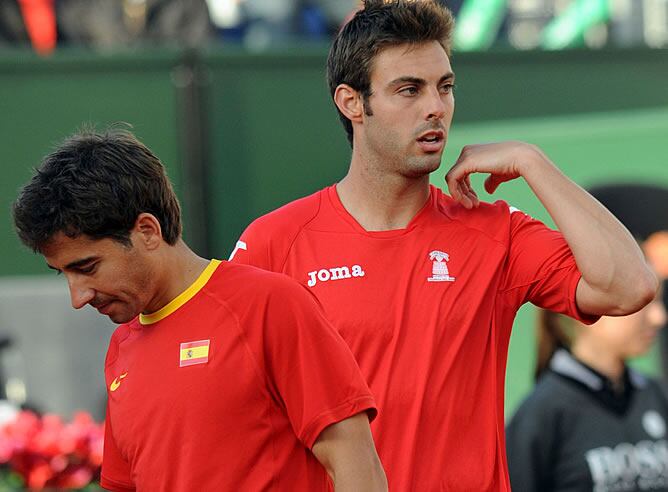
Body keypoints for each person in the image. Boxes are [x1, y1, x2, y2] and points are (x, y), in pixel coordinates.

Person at [227, 0, 658, 489]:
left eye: (445, 87)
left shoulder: (494, 231)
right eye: (409, 89)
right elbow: (229, 414)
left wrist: (532, 162)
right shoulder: (274, 242)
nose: (435, 106)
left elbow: (630, 285)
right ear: (351, 102)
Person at [12, 128, 387, 491]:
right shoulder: (121, 349)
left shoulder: (270, 304)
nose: (77, 297)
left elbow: (355, 463)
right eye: (63, 274)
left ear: (146, 231)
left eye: (87, 267)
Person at [506, 279, 668, 491]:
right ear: (589, 308)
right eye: (643, 302)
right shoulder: (542, 413)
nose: (659, 317)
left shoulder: (656, 394)